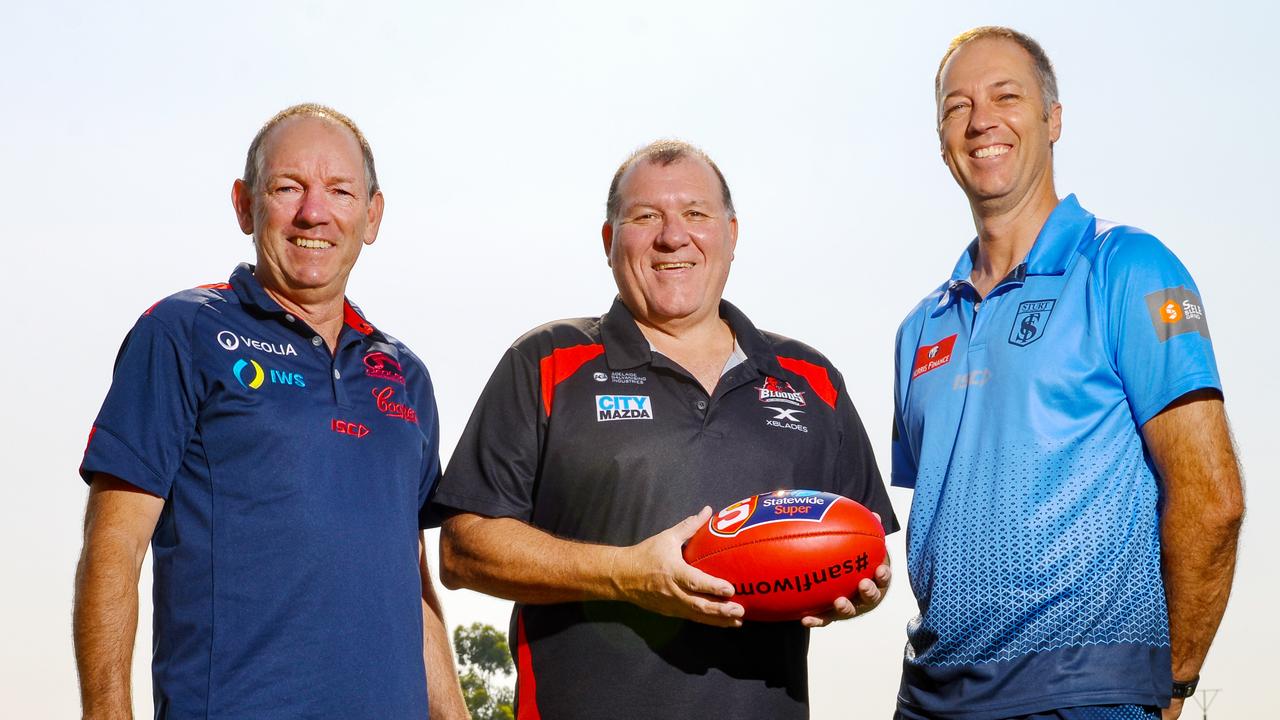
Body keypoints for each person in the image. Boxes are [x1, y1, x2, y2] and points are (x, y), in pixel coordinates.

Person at [430, 140, 898, 719]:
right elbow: (462, 550)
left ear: (731, 234)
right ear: (609, 241)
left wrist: (858, 585)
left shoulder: (811, 378)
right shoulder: (546, 361)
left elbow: (861, 543)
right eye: (646, 216)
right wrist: (625, 575)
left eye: (696, 214)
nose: (673, 236)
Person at [890, 27, 1244, 720]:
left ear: (1054, 119)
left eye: (1006, 96)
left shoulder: (1129, 267)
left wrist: (1172, 680)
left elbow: (1213, 499)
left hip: (1082, 697)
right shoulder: (917, 330)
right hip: (929, 700)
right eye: (957, 106)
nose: (981, 119)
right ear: (941, 142)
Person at [73, 104, 467, 719]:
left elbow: (409, 585)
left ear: (373, 215)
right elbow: (113, 547)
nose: (314, 212)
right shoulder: (183, 331)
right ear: (243, 204)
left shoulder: (406, 376)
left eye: (340, 190)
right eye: (288, 188)